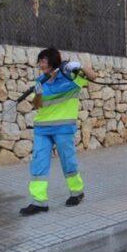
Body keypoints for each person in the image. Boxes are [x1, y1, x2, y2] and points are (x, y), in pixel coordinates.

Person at [20, 47, 98, 216]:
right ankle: (39, 202)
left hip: (63, 128)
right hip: (42, 129)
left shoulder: (70, 77)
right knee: (39, 163)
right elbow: (38, 105)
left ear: (53, 62)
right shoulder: (40, 81)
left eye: (43, 61)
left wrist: (78, 66)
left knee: (67, 161)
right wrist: (35, 95)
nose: (40, 65)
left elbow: (93, 77)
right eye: (39, 61)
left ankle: (77, 192)